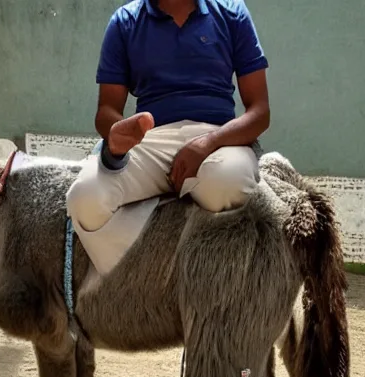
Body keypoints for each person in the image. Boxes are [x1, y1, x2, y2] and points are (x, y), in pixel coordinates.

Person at [65, 0, 270, 275]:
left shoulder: (231, 11)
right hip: (150, 140)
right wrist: (118, 133)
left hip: (218, 140)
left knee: (227, 183)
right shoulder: (125, 21)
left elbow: (260, 112)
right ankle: (143, 276)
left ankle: (208, 275)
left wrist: (209, 143)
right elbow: (106, 111)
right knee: (84, 198)